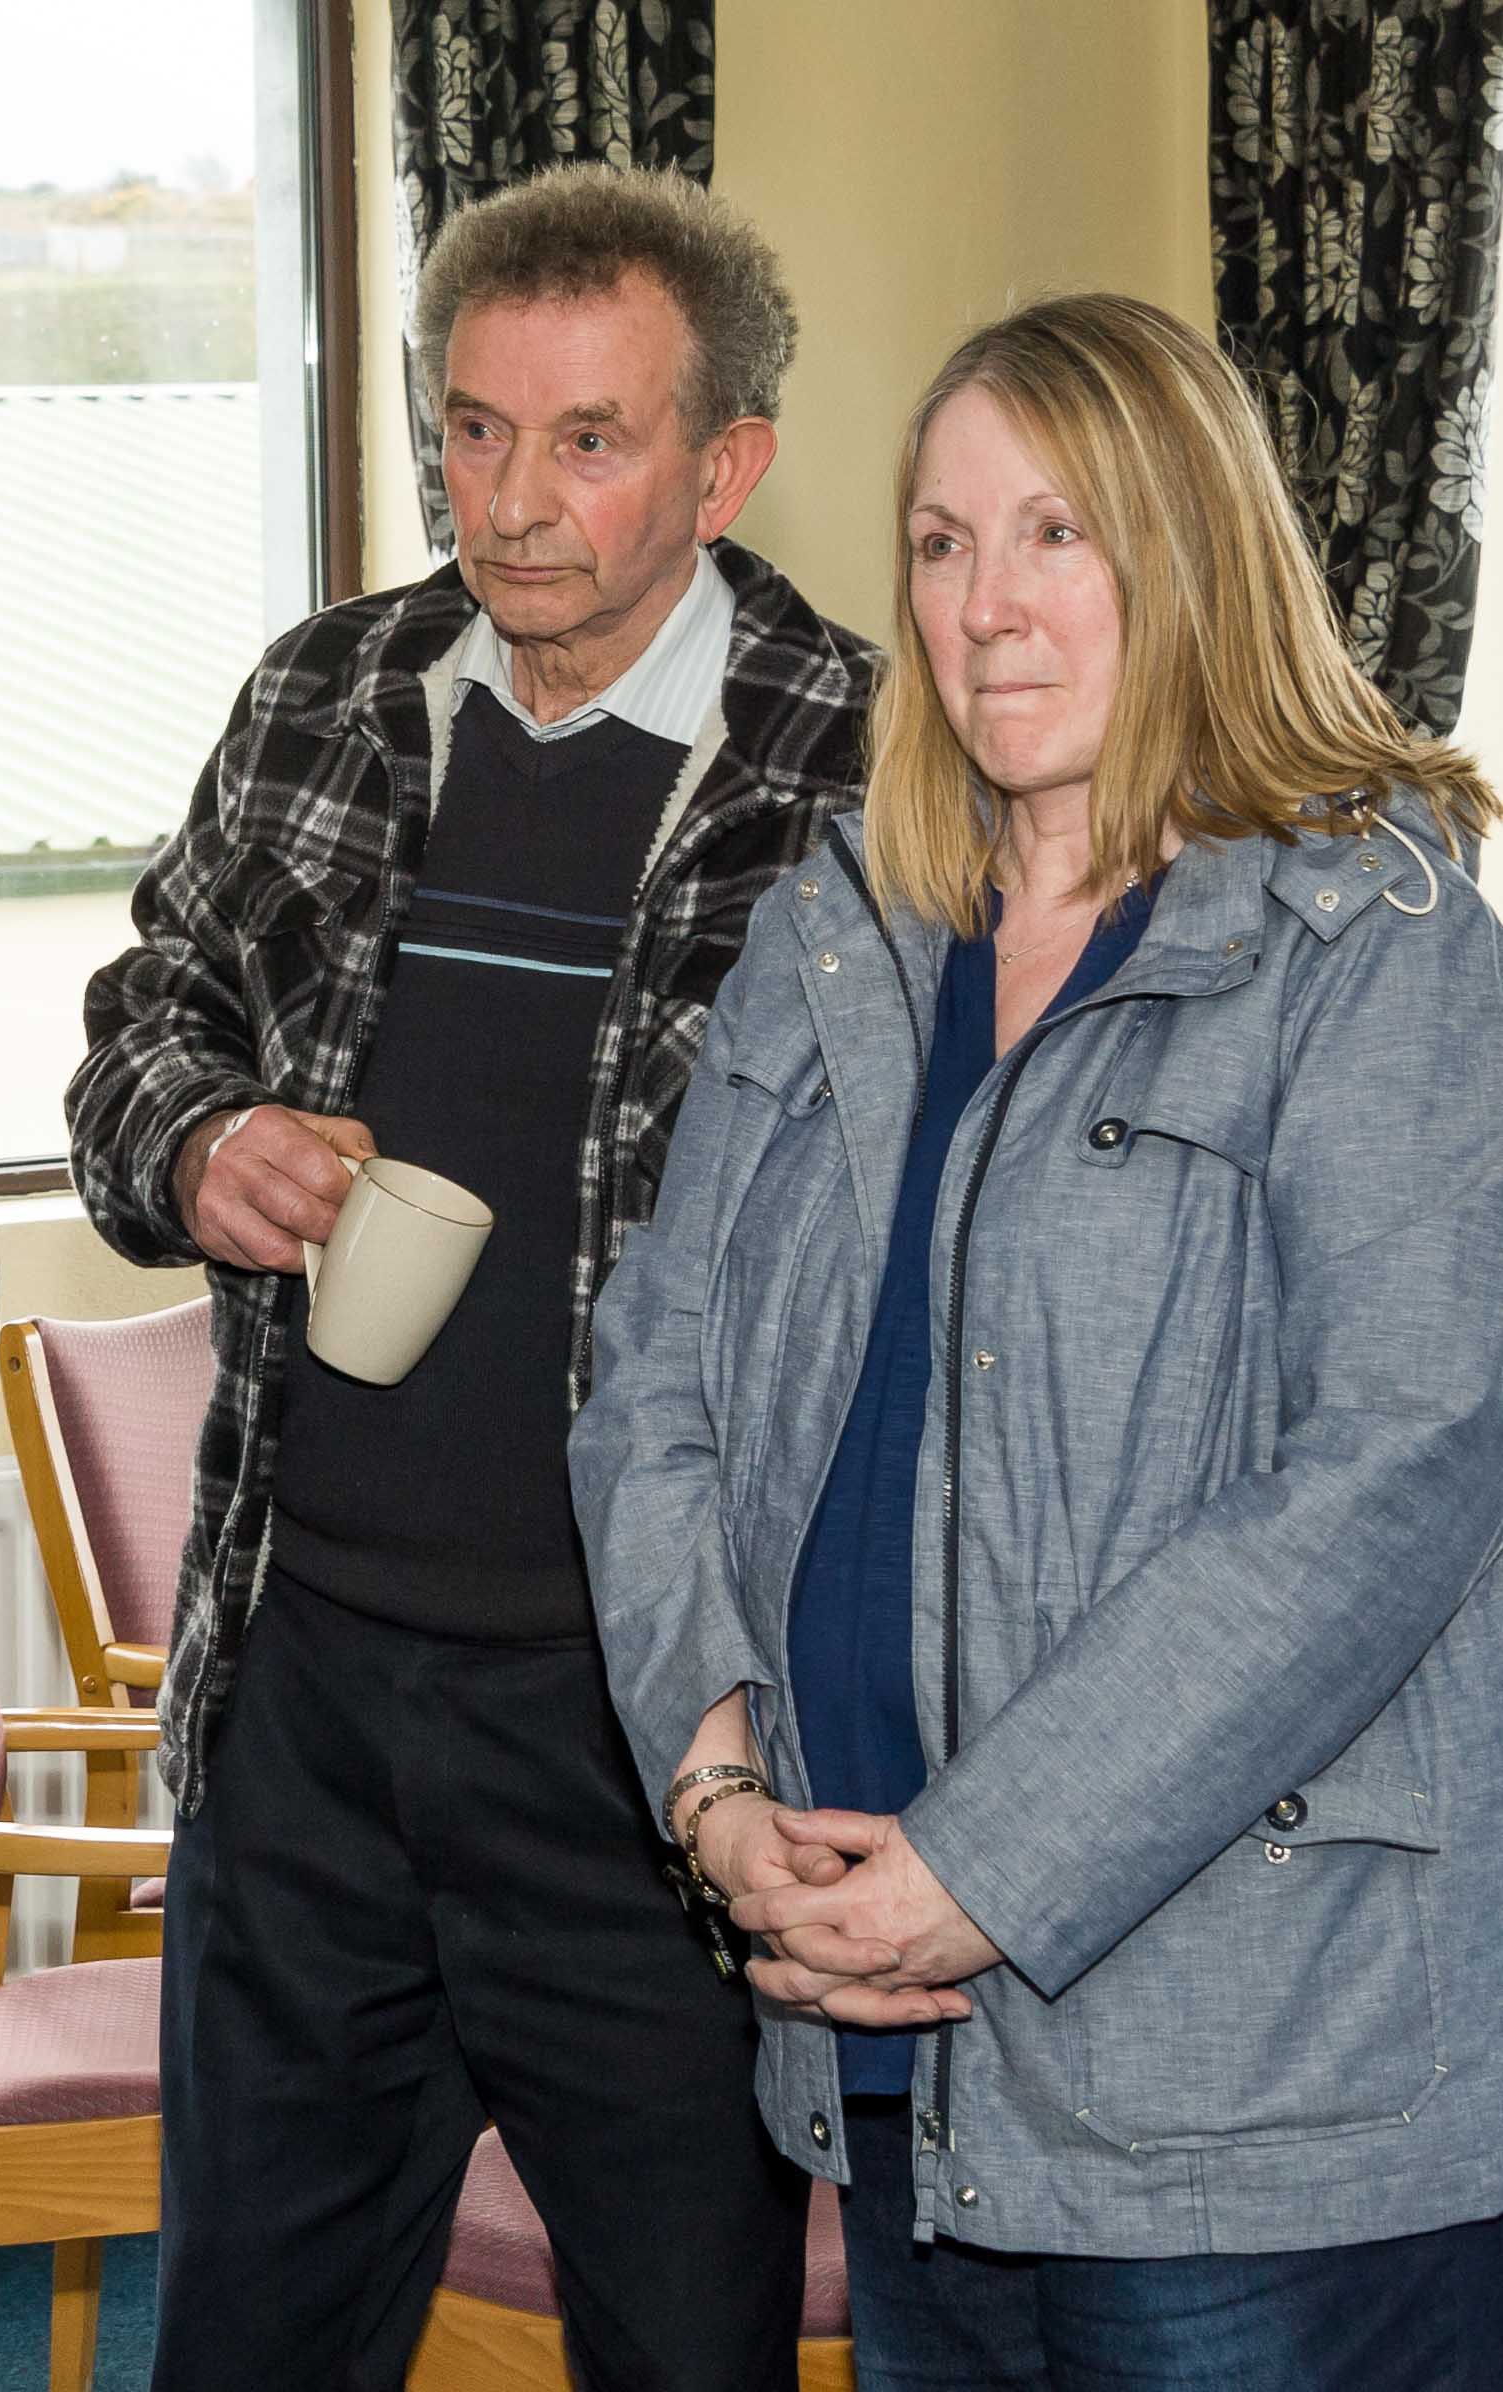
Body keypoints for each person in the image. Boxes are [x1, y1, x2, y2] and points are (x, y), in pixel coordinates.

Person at [575, 290, 1503, 2388]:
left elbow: (1389, 1467)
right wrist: (716, 1798)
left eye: (1052, 534)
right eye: (935, 541)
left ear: (1185, 550)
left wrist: (983, 1868)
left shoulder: (1373, 946)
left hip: (1258, 2101)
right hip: (897, 2057)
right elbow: (650, 1395)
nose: (982, 605)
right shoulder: (841, 932)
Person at [68, 164, 868, 2389]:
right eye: (472, 430)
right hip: (304, 1695)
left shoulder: (860, 764)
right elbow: (147, 1010)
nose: (512, 502)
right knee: (243, 2343)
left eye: (587, 439)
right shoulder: (326, 688)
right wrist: (201, 1138)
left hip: (647, 1742)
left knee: (682, 2347)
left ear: (725, 462)